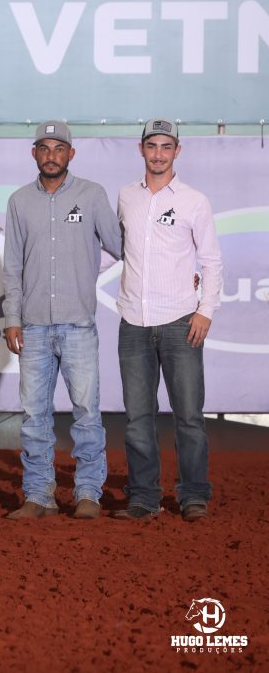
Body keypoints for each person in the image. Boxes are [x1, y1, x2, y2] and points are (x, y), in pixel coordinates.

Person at [2, 121, 123, 520]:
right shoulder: (19, 201)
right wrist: (13, 318)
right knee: (34, 416)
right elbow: (14, 267)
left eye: (59, 148)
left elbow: (124, 247)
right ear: (34, 153)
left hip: (78, 325)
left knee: (87, 412)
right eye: (44, 148)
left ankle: (88, 492)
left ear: (71, 154)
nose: (51, 154)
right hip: (33, 326)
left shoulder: (92, 195)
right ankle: (39, 495)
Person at [113, 119, 223, 522]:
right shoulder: (126, 196)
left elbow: (211, 262)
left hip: (181, 321)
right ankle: (143, 496)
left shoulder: (194, 200)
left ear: (178, 150)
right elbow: (115, 250)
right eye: (152, 145)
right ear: (140, 149)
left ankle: (193, 495)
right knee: (138, 418)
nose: (158, 153)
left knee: (189, 416)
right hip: (133, 322)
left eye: (166, 146)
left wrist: (205, 311)